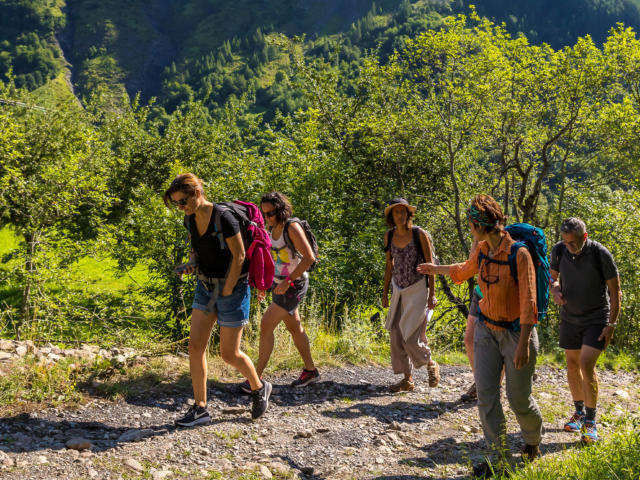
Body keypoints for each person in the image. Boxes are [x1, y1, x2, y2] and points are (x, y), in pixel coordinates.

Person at [418, 194, 542, 478]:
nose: (470, 229)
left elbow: (529, 304)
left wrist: (523, 344)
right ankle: (497, 459)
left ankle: (533, 439)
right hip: (487, 330)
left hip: (516, 335)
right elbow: (463, 270)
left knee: (518, 398)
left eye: (472, 224)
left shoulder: (518, 254)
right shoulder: (484, 249)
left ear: (481, 225)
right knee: (487, 396)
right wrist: (433, 269)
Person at [163, 174, 271, 426]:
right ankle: (200, 408)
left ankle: (259, 388)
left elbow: (240, 255)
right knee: (195, 347)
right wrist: (191, 264)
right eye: (177, 204)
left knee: (229, 354)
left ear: (197, 193)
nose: (181, 208)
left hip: (233, 288)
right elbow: (196, 249)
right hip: (205, 285)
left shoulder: (224, 217)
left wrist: (229, 288)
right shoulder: (190, 219)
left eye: (182, 202)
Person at [550, 217, 621, 444]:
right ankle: (579, 412)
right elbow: (553, 280)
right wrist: (556, 291)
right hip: (570, 318)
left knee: (586, 364)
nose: (568, 246)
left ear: (585, 237)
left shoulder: (600, 254)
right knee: (572, 364)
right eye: (565, 241)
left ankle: (591, 421)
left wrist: (611, 325)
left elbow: (615, 292)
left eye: (573, 242)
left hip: (596, 318)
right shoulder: (559, 250)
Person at [240, 192, 318, 391]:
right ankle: (310, 371)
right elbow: (273, 259)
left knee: (266, 325)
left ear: (281, 210)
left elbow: (309, 258)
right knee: (295, 328)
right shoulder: (271, 227)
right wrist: (266, 284)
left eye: (271, 213)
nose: (267, 218)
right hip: (279, 284)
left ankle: (255, 379)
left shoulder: (292, 227)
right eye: (264, 214)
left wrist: (288, 282)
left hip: (294, 284)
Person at [382, 197, 440, 393]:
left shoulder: (419, 234)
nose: (399, 215)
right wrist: (384, 293)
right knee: (396, 335)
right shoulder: (389, 236)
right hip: (398, 288)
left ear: (408, 214)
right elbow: (389, 265)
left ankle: (430, 363)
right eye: (396, 212)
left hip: (417, 288)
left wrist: (432, 293)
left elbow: (431, 265)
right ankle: (407, 379)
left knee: (410, 337)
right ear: (392, 216)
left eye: (403, 211)